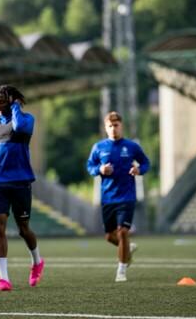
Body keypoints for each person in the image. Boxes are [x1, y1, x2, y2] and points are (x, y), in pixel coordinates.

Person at [0, 85, 45, 291]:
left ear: (11, 100)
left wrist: (16, 107)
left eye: (2, 101)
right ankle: (4, 279)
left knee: (23, 229)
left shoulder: (26, 119)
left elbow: (19, 128)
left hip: (20, 181)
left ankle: (37, 262)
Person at [86, 111, 150, 282]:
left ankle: (121, 271)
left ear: (121, 126)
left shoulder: (131, 146)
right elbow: (90, 166)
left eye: (116, 125)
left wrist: (139, 170)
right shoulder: (98, 147)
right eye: (110, 126)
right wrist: (100, 170)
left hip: (127, 196)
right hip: (107, 197)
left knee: (122, 232)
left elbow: (145, 163)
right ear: (105, 128)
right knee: (109, 236)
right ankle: (128, 249)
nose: (113, 128)